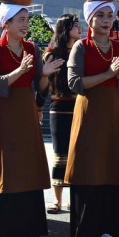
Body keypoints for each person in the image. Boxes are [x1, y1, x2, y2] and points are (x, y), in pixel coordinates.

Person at [0, 0, 63, 237]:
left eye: (27, 19)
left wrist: (45, 75)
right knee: (1, 172)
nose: (26, 24)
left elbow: (40, 87)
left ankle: (13, 236)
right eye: (21, 20)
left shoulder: (32, 49)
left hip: (25, 112)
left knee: (22, 173)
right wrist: (18, 72)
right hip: (2, 113)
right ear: (6, 23)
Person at [65, 0, 119, 237]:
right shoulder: (81, 47)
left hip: (113, 114)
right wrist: (108, 73)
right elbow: (74, 83)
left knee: (110, 167)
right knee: (88, 168)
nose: (107, 21)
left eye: (110, 15)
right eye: (101, 15)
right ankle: (83, 233)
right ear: (90, 19)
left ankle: (108, 230)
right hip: (88, 113)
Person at [44, 14, 81, 213]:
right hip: (59, 107)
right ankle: (57, 200)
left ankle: (74, 198)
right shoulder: (52, 53)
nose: (79, 28)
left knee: (78, 154)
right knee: (60, 154)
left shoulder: (82, 50)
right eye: (75, 25)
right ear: (65, 29)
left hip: (79, 106)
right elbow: (42, 84)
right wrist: (38, 106)